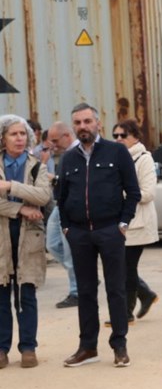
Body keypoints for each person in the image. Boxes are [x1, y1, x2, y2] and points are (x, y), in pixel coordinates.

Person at [57, 103, 140, 369]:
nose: (83, 126)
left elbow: (133, 191)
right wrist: (67, 228)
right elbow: (61, 197)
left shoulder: (117, 152)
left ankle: (119, 345)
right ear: (74, 127)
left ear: (97, 123)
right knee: (85, 291)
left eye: (87, 121)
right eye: (78, 123)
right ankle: (87, 347)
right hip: (79, 233)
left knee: (116, 289)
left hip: (110, 230)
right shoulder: (68, 159)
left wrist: (123, 223)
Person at [0, 115, 52, 369]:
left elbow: (43, 196)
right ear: (3, 138)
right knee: (1, 296)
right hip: (2, 237)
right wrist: (20, 209)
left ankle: (28, 348)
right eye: (14, 134)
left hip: (29, 237)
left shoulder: (36, 166)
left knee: (26, 295)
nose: (19, 138)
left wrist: (10, 186)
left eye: (23, 134)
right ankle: (2, 349)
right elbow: (30, 200)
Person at [111, 119, 159, 322]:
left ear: (136, 137)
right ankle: (145, 295)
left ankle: (126, 313)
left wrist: (119, 193)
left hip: (138, 223)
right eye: (115, 136)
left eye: (123, 135)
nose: (119, 139)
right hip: (119, 223)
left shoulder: (143, 159)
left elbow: (148, 193)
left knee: (126, 269)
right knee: (120, 268)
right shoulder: (115, 158)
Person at [43, 121, 79, 309]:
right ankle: (83, 276)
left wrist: (55, 179)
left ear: (67, 136)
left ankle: (76, 291)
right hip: (60, 205)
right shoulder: (65, 155)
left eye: (55, 141)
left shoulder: (78, 153)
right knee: (52, 244)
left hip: (71, 207)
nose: (53, 145)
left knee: (70, 251)